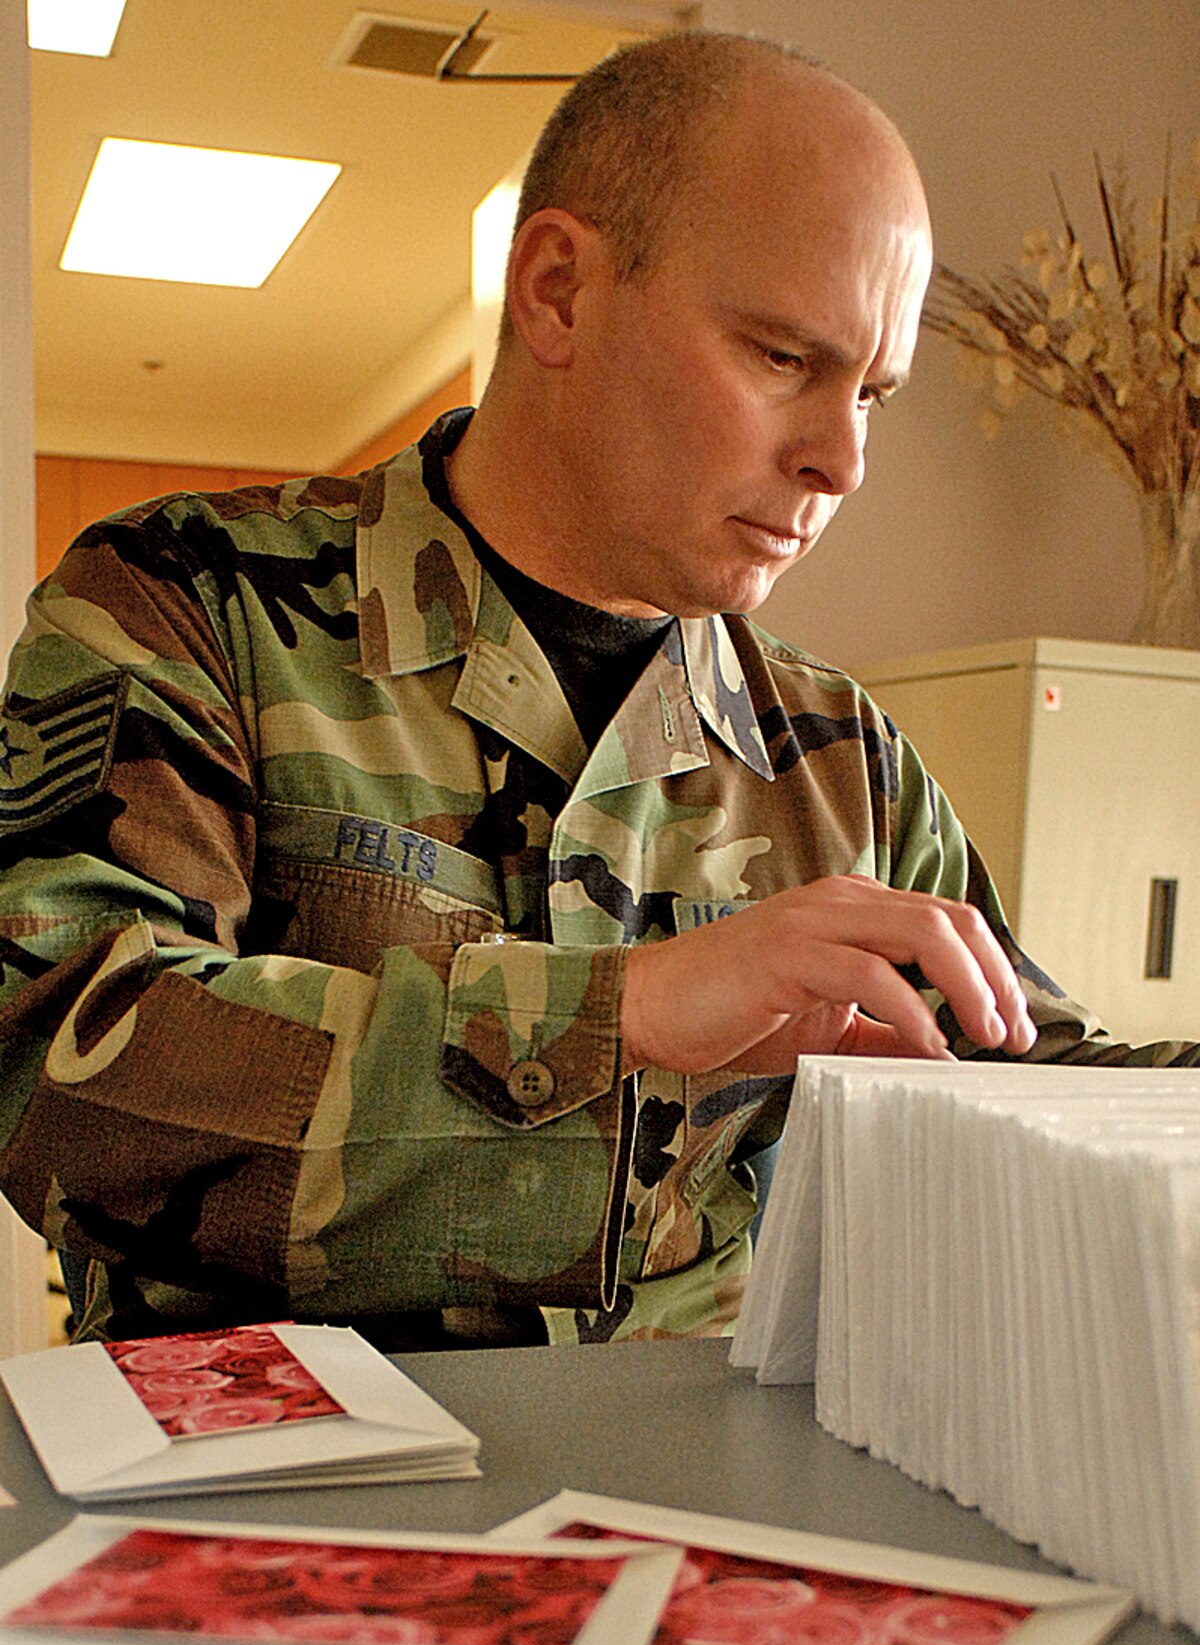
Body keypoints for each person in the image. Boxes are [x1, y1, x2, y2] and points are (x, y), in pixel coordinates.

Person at [0, 33, 1193, 1350]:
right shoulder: (191, 604)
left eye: (875, 391)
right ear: (560, 293)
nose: (842, 458)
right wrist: (628, 1011)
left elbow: (1035, 1089)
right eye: (784, 358)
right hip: (274, 1517)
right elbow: (53, 1076)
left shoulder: (846, 760)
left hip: (715, 1516)